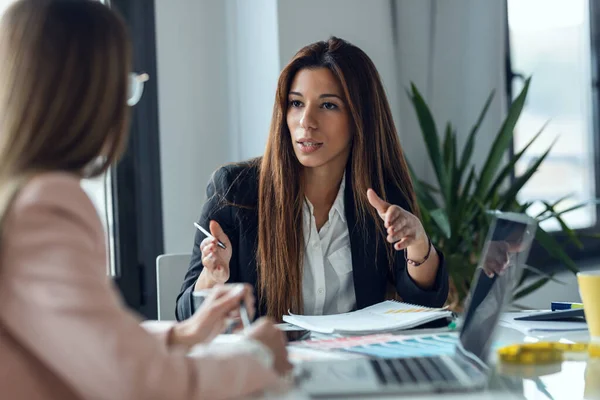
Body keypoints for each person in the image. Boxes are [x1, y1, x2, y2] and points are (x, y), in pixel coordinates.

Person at [0, 1, 290, 399]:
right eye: (122, 87)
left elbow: (86, 339)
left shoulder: (18, 198)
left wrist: (181, 336)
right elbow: (136, 382)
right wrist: (257, 357)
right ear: (89, 95)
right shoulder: (48, 207)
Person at [177, 37, 449, 321]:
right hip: (269, 362)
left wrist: (419, 245)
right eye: (296, 103)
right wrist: (211, 278)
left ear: (361, 117)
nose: (306, 121)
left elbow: (425, 302)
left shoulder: (381, 196)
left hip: (354, 361)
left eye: (328, 105)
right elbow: (185, 315)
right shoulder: (235, 190)